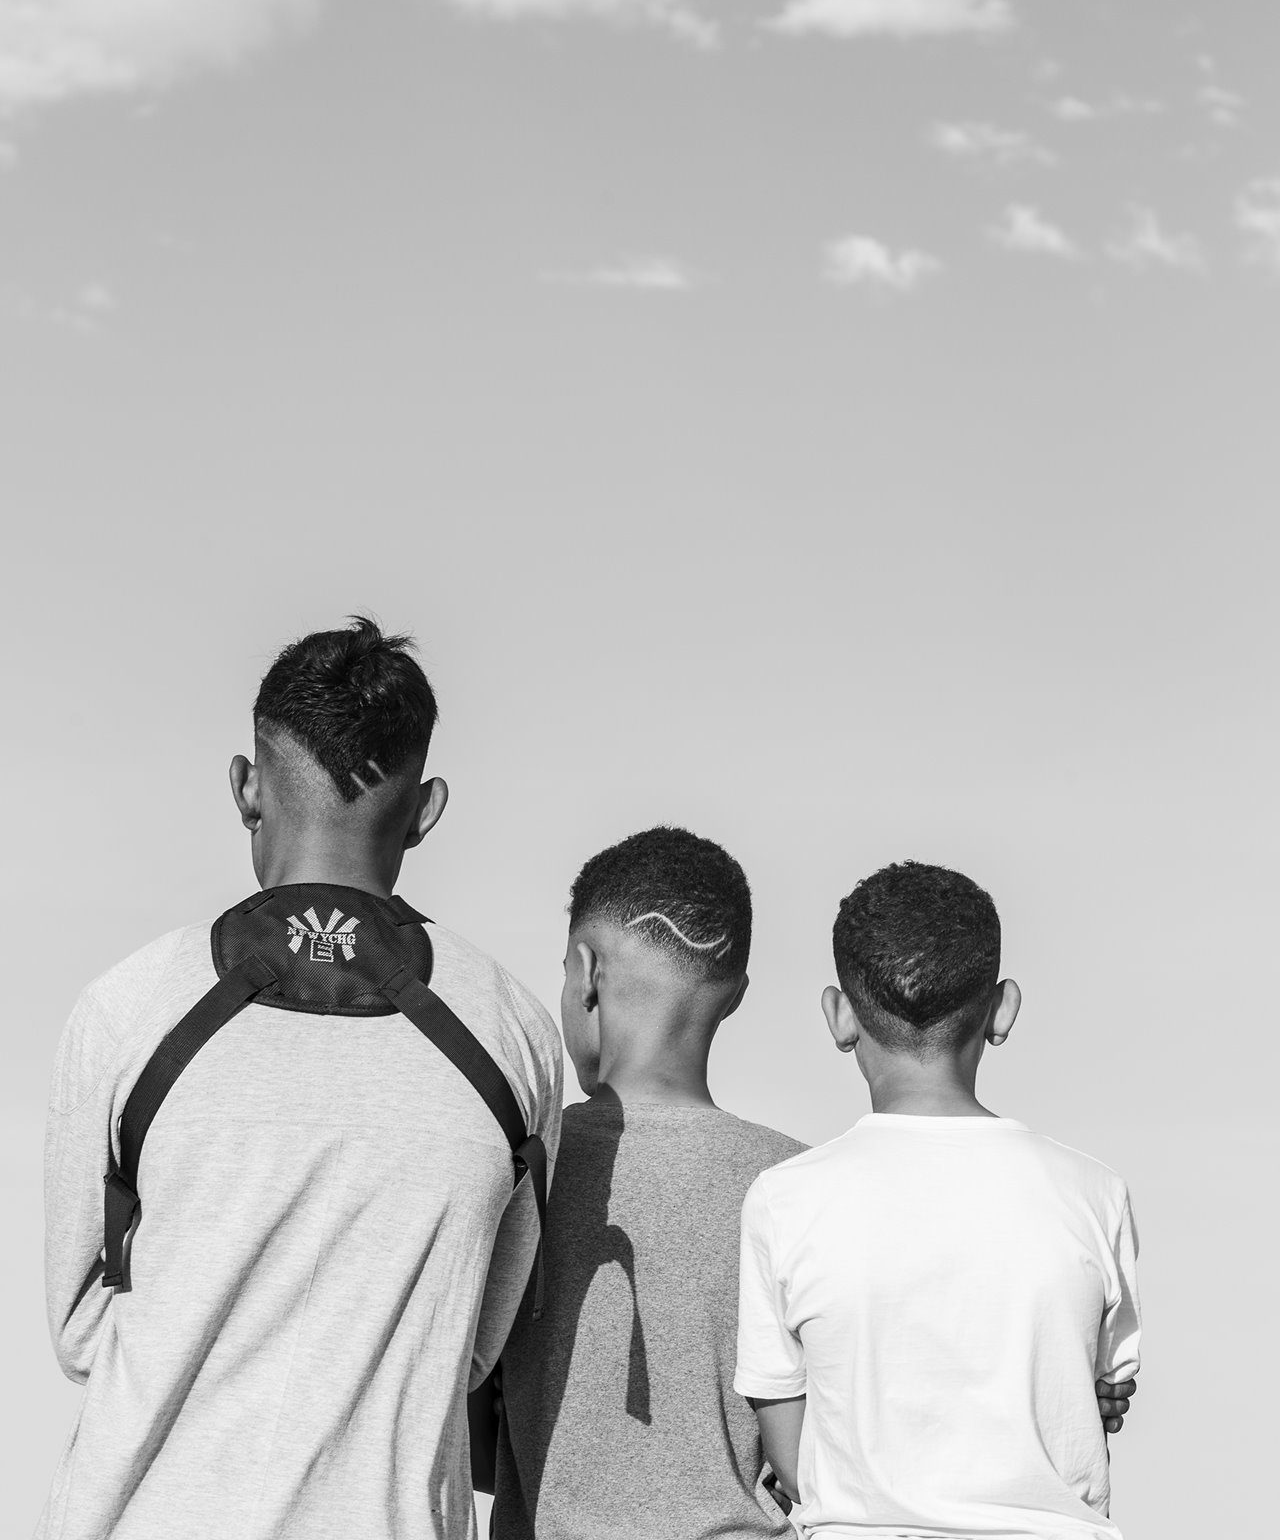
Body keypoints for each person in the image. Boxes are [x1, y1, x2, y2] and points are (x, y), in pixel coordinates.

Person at [39, 617, 562, 1540]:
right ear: (430, 807)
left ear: (246, 787)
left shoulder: (127, 1008)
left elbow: (83, 1330)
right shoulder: (515, 1033)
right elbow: (477, 1347)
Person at [735, 860, 1141, 1540]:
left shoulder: (785, 1199)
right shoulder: (1094, 1192)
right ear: (1003, 1007)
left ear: (839, 1015)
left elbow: (786, 1430)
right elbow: (1102, 1391)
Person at [483, 825, 805, 1539]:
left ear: (586, 969)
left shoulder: (523, 1168)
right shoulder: (802, 1186)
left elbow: (465, 1420)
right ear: (736, 997)